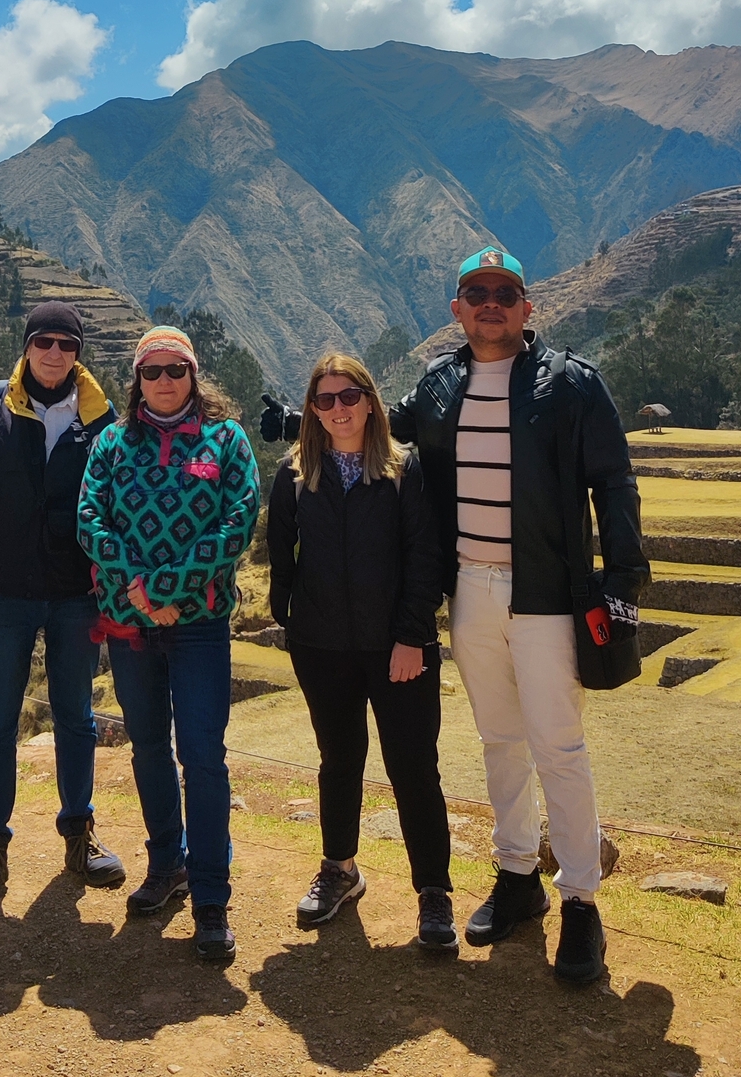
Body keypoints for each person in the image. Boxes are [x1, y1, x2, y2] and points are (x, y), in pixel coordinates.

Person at [261, 248, 647, 986]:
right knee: (500, 741)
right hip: (469, 588)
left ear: (527, 307)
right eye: (477, 292)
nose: (490, 302)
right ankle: (516, 877)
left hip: (547, 591)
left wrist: (623, 582)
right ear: (458, 309)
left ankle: (580, 901)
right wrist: (297, 416)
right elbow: (376, 421)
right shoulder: (442, 385)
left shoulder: (571, 384)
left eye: (505, 291)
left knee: (559, 746)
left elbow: (614, 482)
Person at [77, 324, 261, 963]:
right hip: (132, 625)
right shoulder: (111, 443)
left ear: (193, 374)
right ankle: (167, 864)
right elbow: (90, 521)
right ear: (137, 379)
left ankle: (211, 896)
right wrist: (138, 590)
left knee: (203, 755)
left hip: (198, 624)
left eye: (175, 369)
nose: (163, 380)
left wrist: (163, 588)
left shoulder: (226, 440)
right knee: (150, 746)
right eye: (151, 371)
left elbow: (237, 524)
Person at [0, 302, 124, 905]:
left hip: (75, 593)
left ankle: (79, 836)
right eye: (44, 341)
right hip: (3, 591)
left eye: (67, 344)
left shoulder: (101, 417)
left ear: (79, 354)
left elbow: (116, 503)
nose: (54, 353)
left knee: (76, 716)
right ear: (26, 346)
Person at [266, 352, 455, 949]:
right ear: (313, 410)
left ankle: (433, 891)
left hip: (397, 646)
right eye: (325, 400)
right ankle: (340, 870)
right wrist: (291, 620)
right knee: (339, 760)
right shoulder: (296, 474)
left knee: (412, 767)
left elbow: (426, 557)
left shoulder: (403, 470)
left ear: (370, 403)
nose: (339, 409)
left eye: (349, 396)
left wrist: (411, 636)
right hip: (322, 645)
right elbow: (280, 553)